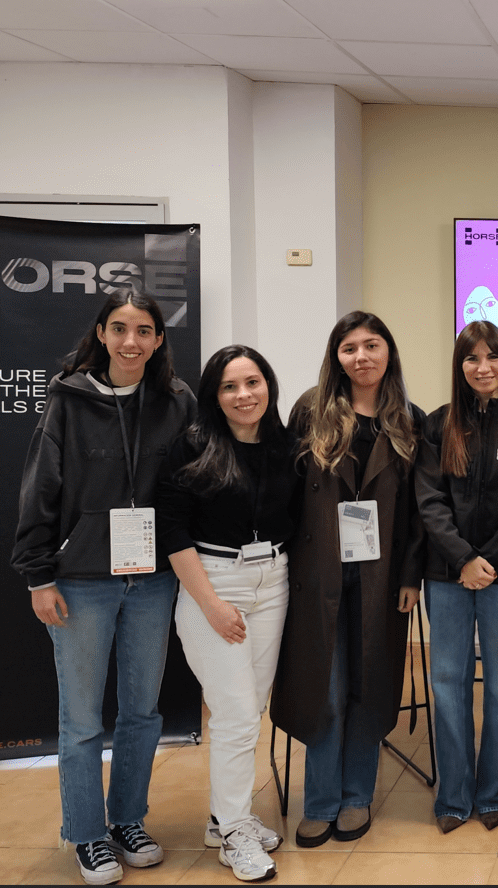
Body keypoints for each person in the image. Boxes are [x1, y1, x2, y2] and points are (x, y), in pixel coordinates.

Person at [13, 290, 195, 886]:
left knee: (142, 712)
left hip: (152, 581)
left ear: (158, 340)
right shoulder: (68, 399)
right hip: (82, 579)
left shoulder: (176, 401)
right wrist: (40, 574)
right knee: (83, 719)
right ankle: (87, 834)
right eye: (119, 329)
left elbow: (194, 484)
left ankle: (128, 819)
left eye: (144, 330)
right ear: (100, 333)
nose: (130, 341)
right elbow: (41, 487)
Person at [269, 312, 425, 847]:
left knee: (370, 685)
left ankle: (357, 796)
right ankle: (320, 801)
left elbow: (418, 515)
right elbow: (285, 500)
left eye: (372, 345)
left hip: (383, 581)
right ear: (336, 356)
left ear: (389, 352)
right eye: (349, 348)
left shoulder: (409, 419)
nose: (361, 357)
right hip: (318, 577)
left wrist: (411, 576)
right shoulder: (310, 412)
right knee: (325, 689)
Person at [158, 345, 296, 882]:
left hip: (274, 581)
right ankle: (235, 833)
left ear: (269, 385)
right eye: (231, 386)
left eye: (253, 382)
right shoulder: (191, 447)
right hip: (214, 583)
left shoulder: (284, 444)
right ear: (215, 395)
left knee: (249, 709)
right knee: (236, 716)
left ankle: (224, 819)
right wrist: (210, 604)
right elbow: (171, 529)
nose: (245, 395)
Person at [416, 320, 498, 833]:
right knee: (449, 683)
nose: (482, 367)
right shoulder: (437, 424)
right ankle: (454, 796)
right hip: (446, 576)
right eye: (472, 358)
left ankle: (496, 792)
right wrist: (461, 559)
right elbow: (429, 500)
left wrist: (487, 559)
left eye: (492, 356)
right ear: (460, 366)